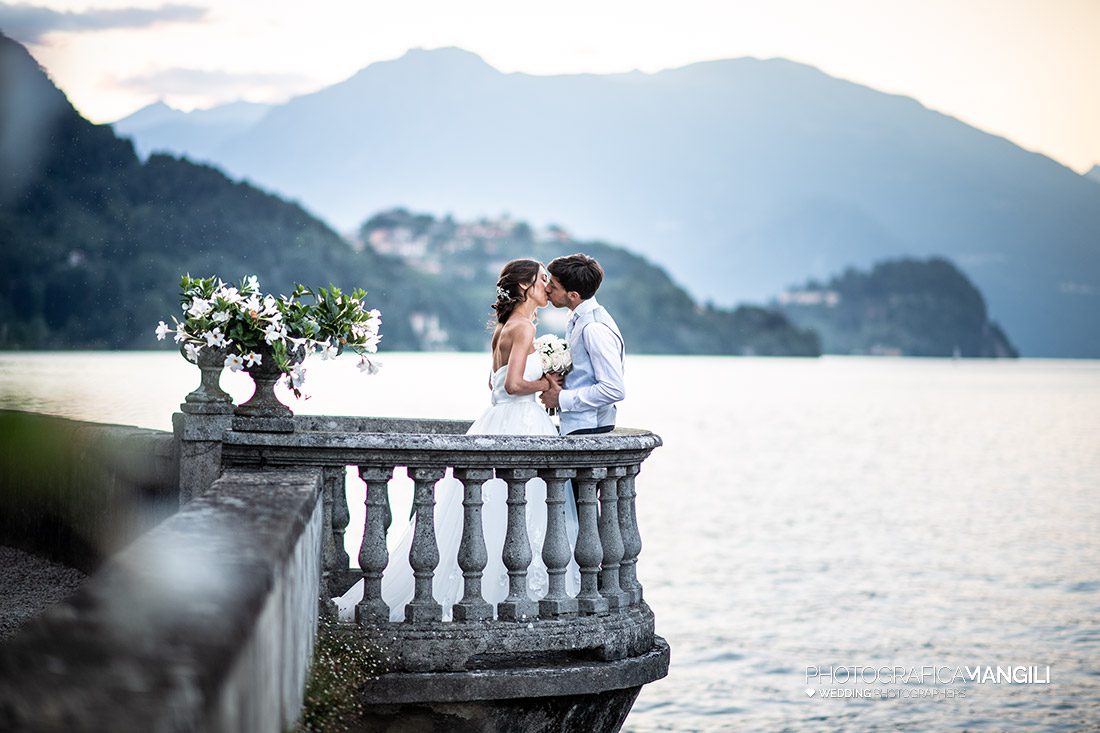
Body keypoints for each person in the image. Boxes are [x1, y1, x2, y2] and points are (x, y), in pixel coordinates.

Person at [335, 259, 580, 622]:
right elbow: (513, 386)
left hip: (497, 421)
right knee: (519, 507)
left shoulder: (503, 327)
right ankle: (514, 596)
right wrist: (546, 384)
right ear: (526, 286)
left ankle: (495, 591)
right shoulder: (524, 328)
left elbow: (493, 385)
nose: (548, 284)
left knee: (493, 511)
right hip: (521, 423)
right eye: (543, 279)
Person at [540, 253, 625, 435]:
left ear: (573, 295)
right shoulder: (577, 318)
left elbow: (614, 389)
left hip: (590, 430)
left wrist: (561, 398)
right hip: (578, 427)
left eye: (553, 286)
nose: (546, 289)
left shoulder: (593, 328)